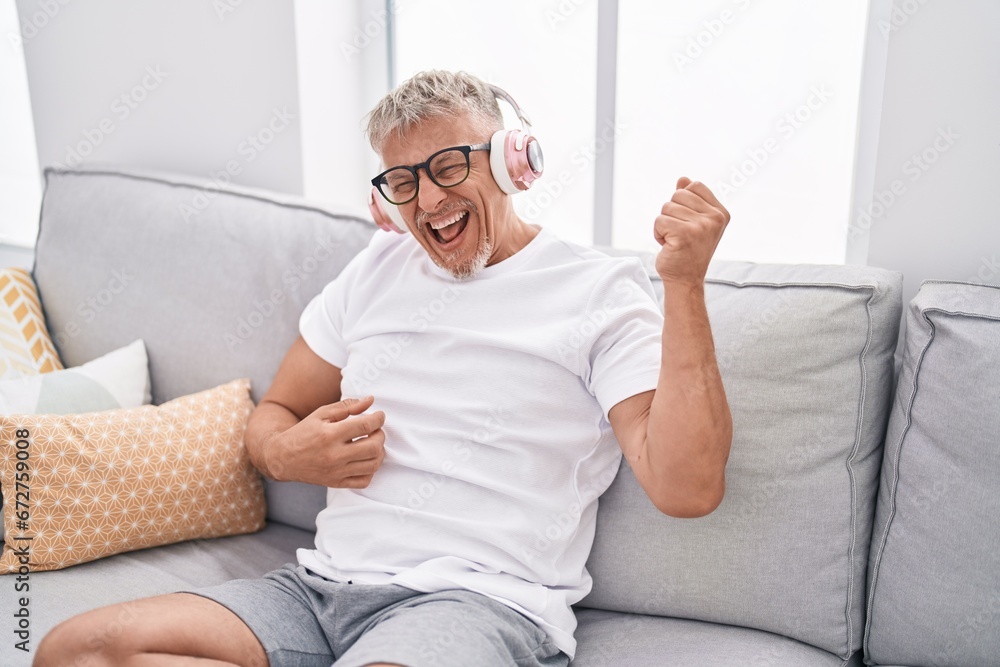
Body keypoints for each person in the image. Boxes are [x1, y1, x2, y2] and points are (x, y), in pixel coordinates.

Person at [35, 70, 732, 667]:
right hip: (318, 593)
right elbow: (272, 415)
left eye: (450, 165)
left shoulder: (598, 292)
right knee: (77, 648)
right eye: (404, 180)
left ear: (514, 161)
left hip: (477, 602)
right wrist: (284, 450)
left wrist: (686, 286)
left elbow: (687, 486)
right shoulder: (373, 271)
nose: (428, 200)